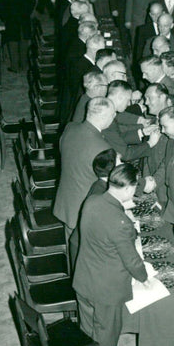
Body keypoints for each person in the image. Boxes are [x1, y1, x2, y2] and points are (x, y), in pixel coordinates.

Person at [72, 163, 149, 346]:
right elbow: (132, 260)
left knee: (87, 331)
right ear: (128, 189)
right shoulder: (121, 222)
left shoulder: (92, 201)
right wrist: (144, 277)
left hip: (84, 281)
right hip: (106, 292)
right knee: (106, 340)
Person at [53, 97, 116, 241]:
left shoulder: (70, 128)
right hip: (84, 212)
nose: (114, 117)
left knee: (71, 250)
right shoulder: (103, 149)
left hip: (67, 203)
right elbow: (110, 184)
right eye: (113, 114)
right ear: (104, 117)